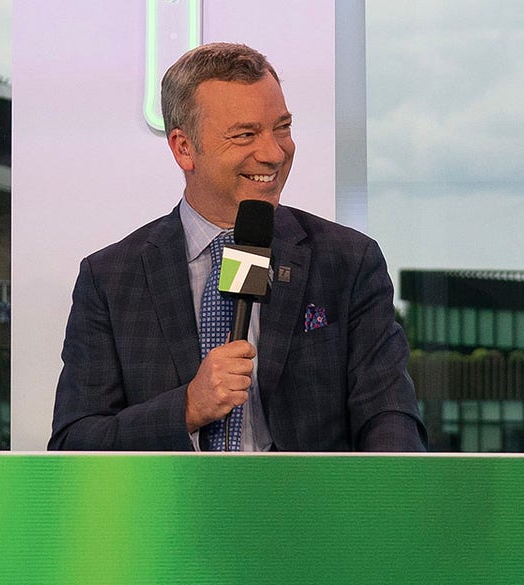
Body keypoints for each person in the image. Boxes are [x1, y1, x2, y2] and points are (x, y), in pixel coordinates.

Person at [50, 43, 427, 451]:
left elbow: (391, 422)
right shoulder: (110, 279)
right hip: (172, 512)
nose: (273, 153)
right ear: (184, 148)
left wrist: (391, 504)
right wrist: (187, 407)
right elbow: (75, 444)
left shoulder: (349, 262)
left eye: (282, 128)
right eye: (246, 134)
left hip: (307, 511)